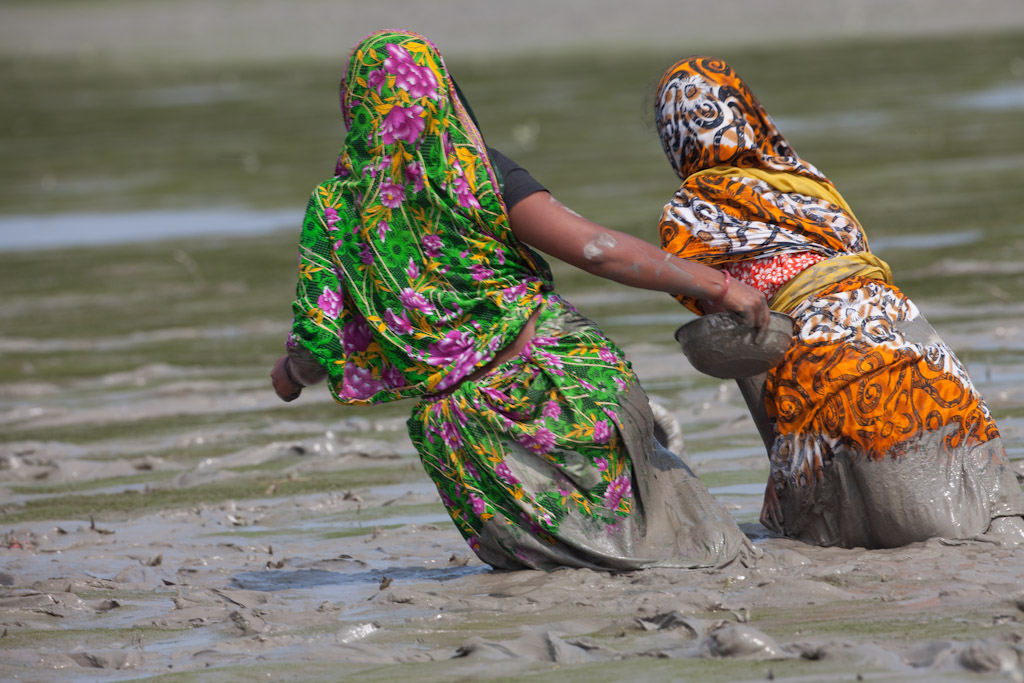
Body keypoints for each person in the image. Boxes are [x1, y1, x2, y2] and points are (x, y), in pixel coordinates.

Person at [269, 30, 772, 571]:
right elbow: (597, 251)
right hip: (562, 384)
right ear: (442, 90)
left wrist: (289, 376)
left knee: (570, 567)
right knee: (683, 536)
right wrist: (718, 285)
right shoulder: (474, 170)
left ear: (355, 104)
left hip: (469, 442)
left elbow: (317, 348)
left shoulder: (335, 212)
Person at [653, 56, 1024, 548]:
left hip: (827, 370)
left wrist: (782, 470)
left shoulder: (689, 218)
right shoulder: (808, 183)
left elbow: (749, 352)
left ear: (672, 141)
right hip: (921, 357)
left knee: (829, 527)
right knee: (986, 516)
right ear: (752, 114)